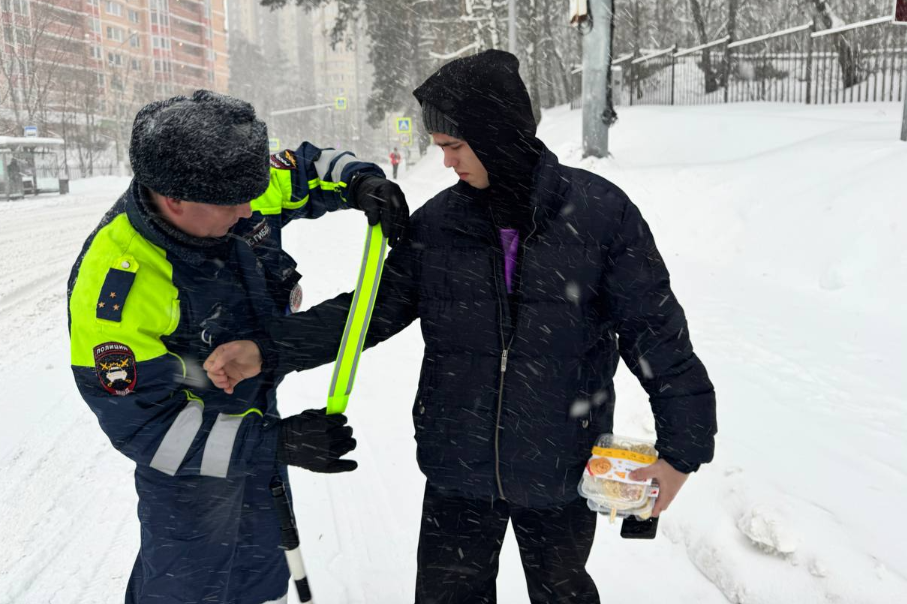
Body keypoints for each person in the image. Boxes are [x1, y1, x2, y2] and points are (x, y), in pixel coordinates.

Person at [206, 51, 717, 603]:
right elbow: (367, 314)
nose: (447, 162)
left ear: (495, 135)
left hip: (561, 467)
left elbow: (657, 338)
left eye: (454, 146)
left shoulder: (601, 216)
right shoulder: (438, 226)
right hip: (458, 470)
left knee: (563, 593)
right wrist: (267, 350)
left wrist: (681, 452)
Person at [67, 90, 409, 604]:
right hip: (189, 475)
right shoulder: (119, 283)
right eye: (234, 204)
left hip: (255, 428)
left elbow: (309, 167)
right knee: (188, 588)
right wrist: (276, 443)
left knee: (259, 573)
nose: (251, 208)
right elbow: (146, 425)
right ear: (174, 199)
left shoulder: (229, 183)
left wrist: (361, 181)